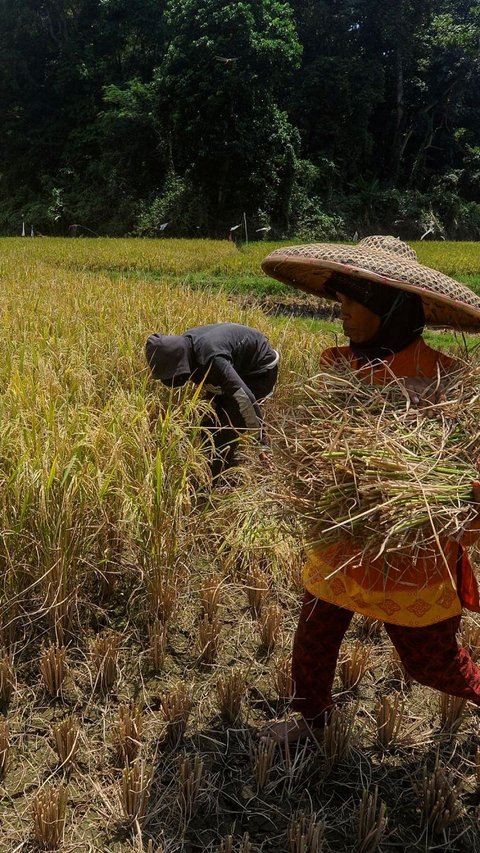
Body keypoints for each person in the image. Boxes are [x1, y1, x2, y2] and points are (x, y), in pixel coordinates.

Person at [260, 235, 480, 742]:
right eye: (341, 300)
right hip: (340, 536)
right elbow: (317, 450)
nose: (346, 313)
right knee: (315, 632)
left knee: (434, 665)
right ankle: (310, 720)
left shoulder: (447, 383)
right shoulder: (338, 368)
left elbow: (468, 472)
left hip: (411, 551)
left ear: (395, 309)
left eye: (359, 302)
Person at [145, 322, 279, 475]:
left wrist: (261, 443)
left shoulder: (212, 359)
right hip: (235, 366)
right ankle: (225, 466)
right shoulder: (187, 348)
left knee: (225, 430)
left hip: (259, 371)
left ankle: (221, 480)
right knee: (208, 425)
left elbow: (246, 398)